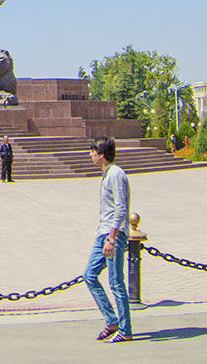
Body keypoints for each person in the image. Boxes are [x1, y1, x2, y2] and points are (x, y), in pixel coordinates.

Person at [85, 136, 132, 343]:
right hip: (102, 233)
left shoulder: (116, 174)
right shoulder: (106, 174)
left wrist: (111, 238)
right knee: (90, 275)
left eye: (93, 151)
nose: (90, 154)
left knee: (116, 282)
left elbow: (121, 208)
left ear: (102, 154)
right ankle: (111, 320)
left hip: (114, 235)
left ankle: (125, 329)